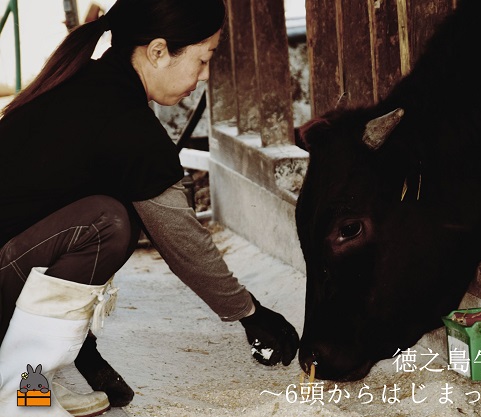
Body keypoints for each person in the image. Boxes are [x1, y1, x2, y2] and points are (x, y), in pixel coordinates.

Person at [0, 0, 299, 415]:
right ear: (158, 52)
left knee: (113, 212)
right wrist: (250, 312)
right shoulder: (126, 126)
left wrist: (85, 353)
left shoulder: (88, 83)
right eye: (203, 59)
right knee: (109, 223)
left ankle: (36, 375)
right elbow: (184, 243)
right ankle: (22, 392)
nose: (206, 75)